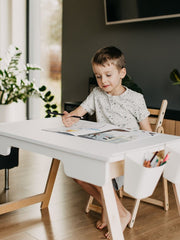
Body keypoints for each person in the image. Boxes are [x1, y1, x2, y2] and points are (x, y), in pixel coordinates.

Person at [62, 46, 152, 238]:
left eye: (108, 75)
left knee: (99, 174)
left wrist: (148, 160)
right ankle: (115, 210)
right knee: (75, 172)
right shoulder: (97, 94)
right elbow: (80, 111)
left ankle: (117, 213)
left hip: (127, 157)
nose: (103, 81)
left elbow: (148, 132)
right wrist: (71, 117)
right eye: (98, 76)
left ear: (122, 73)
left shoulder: (135, 99)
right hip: (102, 153)